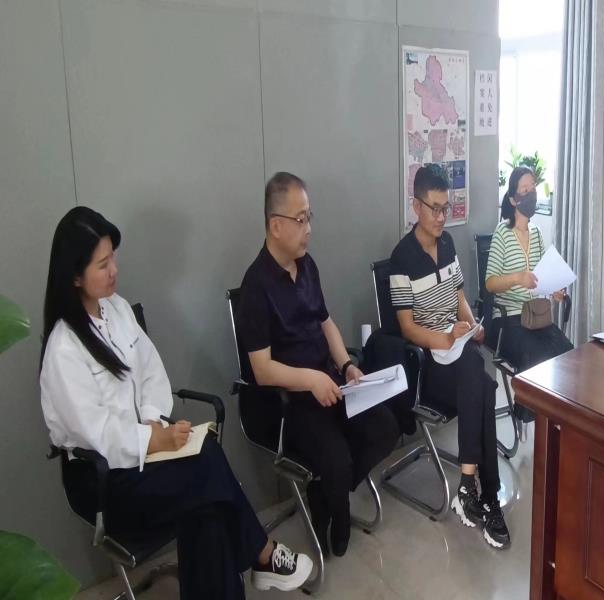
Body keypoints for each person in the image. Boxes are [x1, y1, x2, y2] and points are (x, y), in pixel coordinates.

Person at [39, 207, 311, 599]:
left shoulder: (117, 309)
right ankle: (262, 554)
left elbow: (152, 373)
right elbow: (96, 433)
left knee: (206, 506)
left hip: (146, 453)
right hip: (102, 479)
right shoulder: (64, 348)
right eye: (102, 264)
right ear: (74, 276)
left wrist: (153, 421)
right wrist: (153, 440)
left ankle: (260, 558)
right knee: (206, 469)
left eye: (113, 257)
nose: (114, 269)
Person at [237, 172, 399, 558]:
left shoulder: (307, 265)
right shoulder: (255, 286)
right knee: (336, 458)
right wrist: (310, 379)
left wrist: (346, 366)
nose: (308, 228)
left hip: (329, 381)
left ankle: (326, 494)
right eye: (300, 219)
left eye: (310, 216)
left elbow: (326, 322)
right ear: (276, 225)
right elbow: (262, 369)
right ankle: (334, 509)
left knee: (385, 427)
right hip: (290, 402)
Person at [389, 164, 510, 550]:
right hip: (428, 366)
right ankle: (480, 491)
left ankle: (477, 491)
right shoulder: (402, 258)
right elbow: (407, 328)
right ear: (416, 206)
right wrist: (443, 339)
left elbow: (458, 296)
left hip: (458, 354)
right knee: (481, 379)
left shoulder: (448, 244)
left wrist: (471, 325)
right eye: (435, 208)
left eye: (447, 208)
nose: (442, 217)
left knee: (481, 381)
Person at [484, 165, 573, 421]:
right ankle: (527, 414)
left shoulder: (536, 233)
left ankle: (553, 417)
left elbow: (541, 277)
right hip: (508, 318)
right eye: (525, 189)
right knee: (537, 356)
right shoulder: (502, 233)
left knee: (567, 355)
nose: (531, 193)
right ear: (513, 199)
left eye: (533, 187)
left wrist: (553, 290)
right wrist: (516, 278)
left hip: (535, 317)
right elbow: (490, 284)